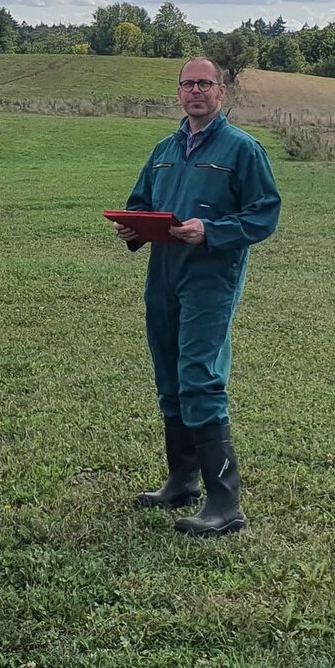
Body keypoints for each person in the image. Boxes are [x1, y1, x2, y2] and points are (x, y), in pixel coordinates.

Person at [114, 58, 282, 536]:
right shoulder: (164, 150)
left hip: (211, 276)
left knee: (200, 378)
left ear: (221, 92)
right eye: (188, 84)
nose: (196, 92)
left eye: (205, 84)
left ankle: (225, 504)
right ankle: (182, 481)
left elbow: (265, 215)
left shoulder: (242, 150)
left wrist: (213, 230)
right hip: (163, 273)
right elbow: (140, 201)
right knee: (169, 374)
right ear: (178, 92)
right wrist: (133, 225)